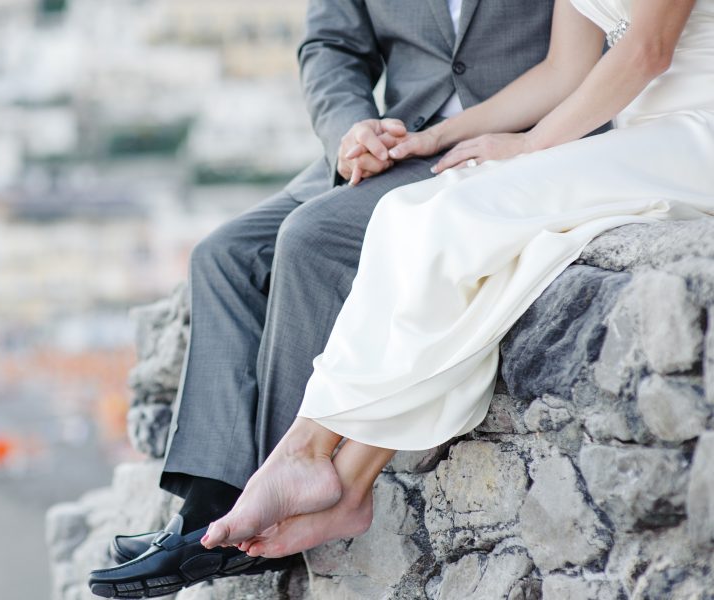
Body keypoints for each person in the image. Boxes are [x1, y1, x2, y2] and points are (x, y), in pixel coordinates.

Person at [199, 0, 714, 559]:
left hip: (694, 134)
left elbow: (647, 50)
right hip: (638, 138)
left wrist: (528, 145)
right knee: (408, 214)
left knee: (458, 217)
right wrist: (437, 137)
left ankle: (309, 454)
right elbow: (564, 71)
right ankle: (343, 481)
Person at [89, 1, 562, 597]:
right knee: (224, 255)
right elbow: (331, 47)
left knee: (310, 241)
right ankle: (208, 507)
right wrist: (351, 129)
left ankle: (259, 515)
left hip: (515, 139)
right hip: (393, 143)